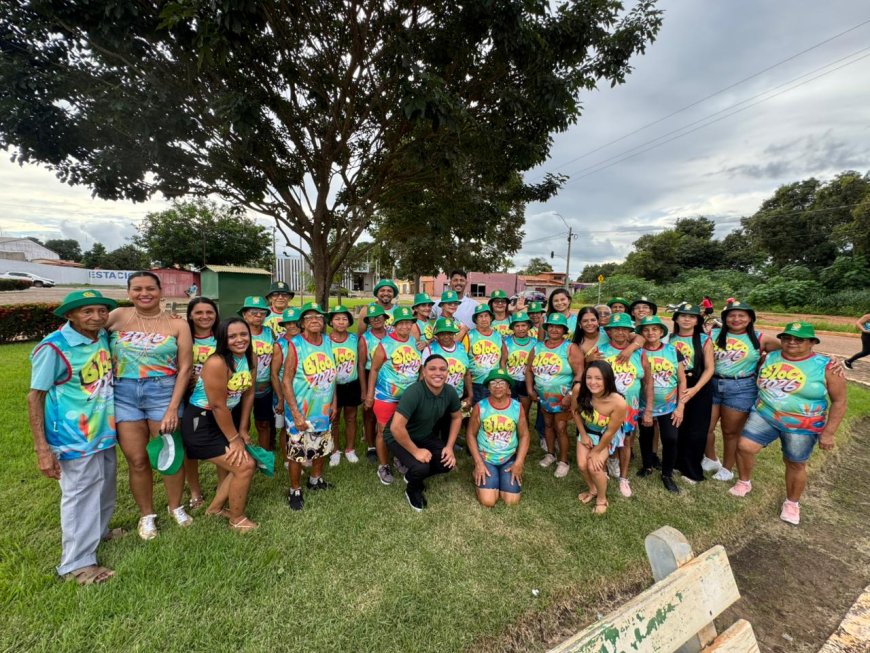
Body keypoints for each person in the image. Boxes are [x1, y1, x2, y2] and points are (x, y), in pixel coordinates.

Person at [28, 290, 119, 584]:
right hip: (73, 438)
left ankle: (100, 532)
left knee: (104, 486)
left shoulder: (101, 336)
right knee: (80, 496)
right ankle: (76, 564)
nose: (96, 316)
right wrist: (42, 448)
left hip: (103, 431)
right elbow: (35, 397)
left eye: (101, 310)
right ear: (70, 315)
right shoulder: (54, 348)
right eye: (87, 311)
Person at [729, 323, 847, 525]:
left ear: (811, 343)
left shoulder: (826, 366)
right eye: (787, 338)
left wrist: (829, 433)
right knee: (745, 447)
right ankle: (744, 481)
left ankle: (792, 503)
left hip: (802, 424)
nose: (792, 342)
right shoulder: (770, 357)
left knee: (795, 462)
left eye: (799, 339)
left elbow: (840, 401)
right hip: (765, 414)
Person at [107, 271, 193, 540]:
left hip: (163, 392)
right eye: (137, 289)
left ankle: (175, 506)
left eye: (150, 289)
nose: (144, 293)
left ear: (160, 292)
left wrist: (172, 407)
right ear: (129, 292)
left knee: (169, 456)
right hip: (124, 394)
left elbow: (186, 366)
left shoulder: (177, 324)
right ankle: (147, 515)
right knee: (138, 460)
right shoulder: (117, 316)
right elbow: (83, 331)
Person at [181, 317, 258, 532]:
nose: (239, 339)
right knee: (245, 465)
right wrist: (234, 440)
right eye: (232, 336)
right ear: (223, 339)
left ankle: (214, 509)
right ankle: (237, 519)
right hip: (201, 421)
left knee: (241, 463)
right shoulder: (217, 362)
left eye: (243, 334)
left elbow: (249, 393)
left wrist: (242, 429)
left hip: (224, 418)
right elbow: (217, 406)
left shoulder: (251, 357)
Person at [703, 301, 781, 482]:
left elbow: (791, 350)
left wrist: (765, 360)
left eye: (741, 315)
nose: (736, 319)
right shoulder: (712, 334)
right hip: (712, 384)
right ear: (725, 318)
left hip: (741, 389)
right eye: (731, 315)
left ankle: (727, 468)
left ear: (750, 318)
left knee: (730, 432)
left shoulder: (761, 338)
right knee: (706, 427)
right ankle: (711, 458)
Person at [383, 355, 463, 511]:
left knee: (446, 462)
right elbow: (396, 428)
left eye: (442, 369)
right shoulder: (414, 392)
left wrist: (449, 446)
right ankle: (412, 490)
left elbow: (457, 417)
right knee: (421, 467)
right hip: (398, 437)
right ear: (424, 372)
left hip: (424, 435)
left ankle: (411, 476)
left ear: (448, 372)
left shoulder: (450, 391)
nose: (438, 373)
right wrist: (416, 451)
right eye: (432, 369)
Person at [282, 302, 338, 511]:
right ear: (302, 323)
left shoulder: (328, 342)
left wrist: (334, 402)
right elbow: (286, 380)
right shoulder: (295, 344)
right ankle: (295, 489)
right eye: (309, 317)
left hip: (322, 409)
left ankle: (316, 479)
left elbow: (333, 377)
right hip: (301, 410)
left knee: (321, 447)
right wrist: (295, 413)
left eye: (319, 317)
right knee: (297, 452)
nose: (315, 320)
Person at [597, 312, 653, 498]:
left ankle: (624, 477)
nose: (620, 332)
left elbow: (648, 383)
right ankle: (603, 471)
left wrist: (649, 410)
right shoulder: (601, 351)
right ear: (609, 331)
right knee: (604, 439)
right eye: (616, 329)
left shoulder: (639, 353)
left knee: (627, 441)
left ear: (630, 331)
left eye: (624, 329)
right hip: (606, 406)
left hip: (630, 406)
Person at [365, 306, 423, 485]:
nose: (405, 327)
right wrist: (369, 395)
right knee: (384, 431)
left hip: (409, 398)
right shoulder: (385, 345)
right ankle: (383, 465)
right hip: (386, 397)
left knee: (405, 430)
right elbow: (373, 370)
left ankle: (400, 458)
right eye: (402, 323)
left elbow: (421, 368)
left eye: (409, 323)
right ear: (395, 324)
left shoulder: (415, 342)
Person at [526, 312, 584, 478]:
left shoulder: (570, 348)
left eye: (558, 327)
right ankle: (550, 454)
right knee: (548, 425)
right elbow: (529, 370)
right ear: (546, 328)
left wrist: (571, 395)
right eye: (551, 326)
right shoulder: (538, 347)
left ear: (564, 330)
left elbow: (580, 373)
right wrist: (530, 390)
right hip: (544, 397)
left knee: (561, 428)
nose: (554, 329)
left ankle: (563, 460)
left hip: (563, 397)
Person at [635, 316, 686, 494]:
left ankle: (667, 473)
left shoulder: (672, 351)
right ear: (641, 333)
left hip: (669, 406)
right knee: (646, 436)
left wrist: (681, 406)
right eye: (646, 330)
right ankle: (647, 465)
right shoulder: (638, 352)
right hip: (644, 405)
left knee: (671, 438)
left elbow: (682, 380)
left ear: (661, 332)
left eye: (655, 329)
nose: (650, 333)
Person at [467, 368, 530, 507]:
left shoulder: (517, 407)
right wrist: (478, 463)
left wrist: (519, 462)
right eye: (493, 383)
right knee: (488, 501)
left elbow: (524, 435)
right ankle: (478, 472)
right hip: (486, 457)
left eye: (502, 382)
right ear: (488, 387)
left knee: (511, 501)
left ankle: (502, 477)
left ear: (508, 387)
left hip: (508, 457)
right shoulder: (480, 406)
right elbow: (471, 434)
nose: (497, 386)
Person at [573, 360, 627, 515]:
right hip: (587, 431)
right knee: (582, 465)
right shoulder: (579, 389)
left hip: (605, 436)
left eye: (598, 378)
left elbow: (610, 432)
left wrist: (596, 451)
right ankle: (593, 489)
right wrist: (583, 434)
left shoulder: (618, 402)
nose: (592, 382)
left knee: (594, 467)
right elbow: (575, 412)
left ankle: (602, 499)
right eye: (589, 377)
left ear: (607, 379)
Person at [670, 302, 714, 484]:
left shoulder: (704, 339)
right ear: (676, 319)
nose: (686, 319)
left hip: (698, 386)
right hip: (677, 384)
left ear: (697, 320)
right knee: (678, 426)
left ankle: (692, 471)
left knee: (696, 430)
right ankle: (676, 463)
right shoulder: (670, 338)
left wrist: (695, 389)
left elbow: (710, 369)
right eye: (682, 315)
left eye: (691, 316)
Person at [185, 297, 220, 510]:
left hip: (219, 398)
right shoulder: (183, 337)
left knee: (222, 439)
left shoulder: (222, 337)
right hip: (188, 398)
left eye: (209, 312)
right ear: (190, 315)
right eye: (199, 312)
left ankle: (223, 484)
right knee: (191, 446)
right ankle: (195, 491)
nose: (205, 316)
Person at [422, 317, 472, 440]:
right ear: (437, 335)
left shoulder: (460, 348)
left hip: (456, 395)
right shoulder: (430, 349)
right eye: (442, 333)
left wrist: (470, 394)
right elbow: (423, 374)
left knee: (449, 423)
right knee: (433, 426)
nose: (446, 336)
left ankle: (448, 446)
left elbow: (466, 373)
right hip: (435, 396)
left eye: (449, 333)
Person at [239, 296, 276, 451]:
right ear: (244, 314)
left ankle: (264, 455)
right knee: (242, 422)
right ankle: (241, 453)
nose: (259, 316)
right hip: (241, 387)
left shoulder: (269, 332)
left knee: (264, 423)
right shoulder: (238, 332)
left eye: (262, 313)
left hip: (264, 387)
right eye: (254, 312)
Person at [327, 305, 360, 466]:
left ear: (349, 322)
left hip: (351, 384)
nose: (341, 322)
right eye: (337, 319)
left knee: (351, 417)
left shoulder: (354, 339)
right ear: (331, 322)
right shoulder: (325, 340)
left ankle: (350, 448)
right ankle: (334, 450)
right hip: (333, 387)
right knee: (333, 419)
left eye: (344, 319)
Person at [358, 304, 389, 463]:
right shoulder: (365, 338)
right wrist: (364, 390)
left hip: (389, 376)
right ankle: (371, 446)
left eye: (379, 316)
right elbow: (362, 365)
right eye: (372, 317)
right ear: (368, 320)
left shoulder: (392, 334)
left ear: (385, 318)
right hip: (371, 374)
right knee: (369, 413)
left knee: (387, 412)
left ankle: (388, 441)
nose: (376, 319)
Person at [270, 307, 301, 463]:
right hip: (284, 393)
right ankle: (287, 459)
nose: (292, 326)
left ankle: (303, 452)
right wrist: (281, 398)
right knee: (285, 428)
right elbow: (274, 374)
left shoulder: (304, 340)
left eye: (295, 322)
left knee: (302, 424)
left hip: (302, 393)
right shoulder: (280, 344)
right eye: (288, 323)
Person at [465, 304, 504, 404]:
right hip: (476, 383)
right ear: (476, 320)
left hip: (494, 383)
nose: (484, 319)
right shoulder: (469, 336)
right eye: (480, 316)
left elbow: (503, 359)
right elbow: (464, 362)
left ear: (491, 318)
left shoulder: (498, 336)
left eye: (486, 316)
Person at [501, 311, 535, 425]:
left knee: (524, 411)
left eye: (524, 325)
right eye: (517, 326)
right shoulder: (507, 342)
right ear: (512, 328)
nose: (521, 329)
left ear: (529, 326)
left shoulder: (534, 343)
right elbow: (503, 362)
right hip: (512, 380)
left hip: (526, 381)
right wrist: (506, 382)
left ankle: (524, 434)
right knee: (511, 410)